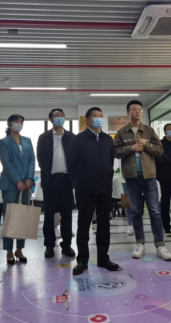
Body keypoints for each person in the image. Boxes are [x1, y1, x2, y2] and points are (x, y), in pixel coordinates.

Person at [114, 100, 171, 261]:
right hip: (131, 177)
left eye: (140, 109)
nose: (138, 112)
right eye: (134, 109)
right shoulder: (121, 132)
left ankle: (160, 245)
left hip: (149, 177)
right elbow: (115, 152)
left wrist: (145, 145)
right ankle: (140, 243)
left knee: (154, 210)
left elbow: (159, 150)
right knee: (135, 211)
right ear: (128, 112)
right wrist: (130, 148)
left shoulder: (149, 130)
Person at [67, 107, 122, 275]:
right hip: (85, 190)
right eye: (95, 116)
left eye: (101, 116)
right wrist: (79, 182)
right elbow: (71, 163)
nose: (99, 118)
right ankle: (82, 261)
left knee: (104, 226)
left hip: (105, 189)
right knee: (83, 226)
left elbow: (110, 161)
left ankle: (103, 258)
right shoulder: (78, 139)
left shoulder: (108, 139)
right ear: (88, 120)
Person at [37, 108, 75, 259]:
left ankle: (67, 245)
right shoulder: (43, 137)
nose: (59, 118)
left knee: (67, 215)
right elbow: (40, 158)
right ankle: (49, 245)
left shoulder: (72, 137)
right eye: (56, 116)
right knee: (49, 215)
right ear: (51, 120)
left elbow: (76, 157)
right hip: (50, 181)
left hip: (66, 180)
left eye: (62, 115)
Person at [0, 114, 35, 265]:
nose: (19, 124)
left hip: (26, 186)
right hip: (10, 185)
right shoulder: (4, 142)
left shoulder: (27, 140)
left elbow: (32, 160)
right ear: (9, 124)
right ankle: (9, 251)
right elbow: (6, 163)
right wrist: (17, 181)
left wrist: (29, 179)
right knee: (10, 219)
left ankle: (19, 249)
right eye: (16, 121)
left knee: (22, 219)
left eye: (21, 122)